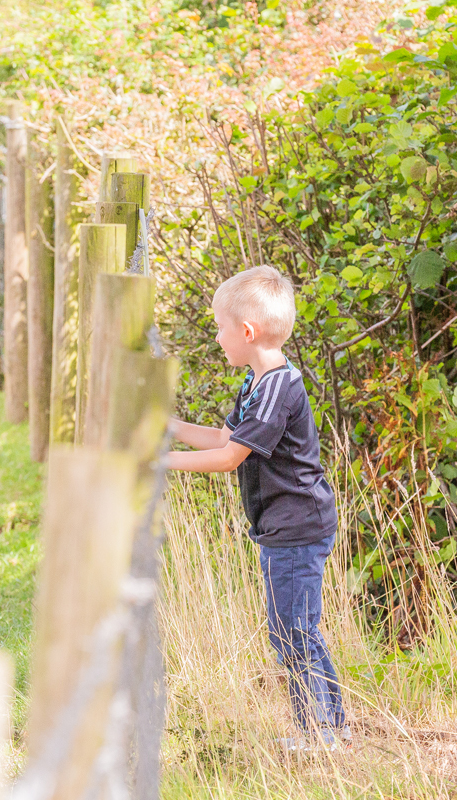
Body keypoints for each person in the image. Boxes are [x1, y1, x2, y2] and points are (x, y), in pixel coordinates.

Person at [166, 265, 348, 752]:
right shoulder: (257, 385)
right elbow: (226, 437)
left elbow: (229, 459)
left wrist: (158, 461)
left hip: (296, 527)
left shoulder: (277, 389)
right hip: (286, 526)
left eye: (220, 329)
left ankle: (318, 734)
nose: (218, 338)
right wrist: (169, 427)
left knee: (291, 632)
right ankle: (331, 724)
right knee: (298, 629)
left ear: (246, 332)